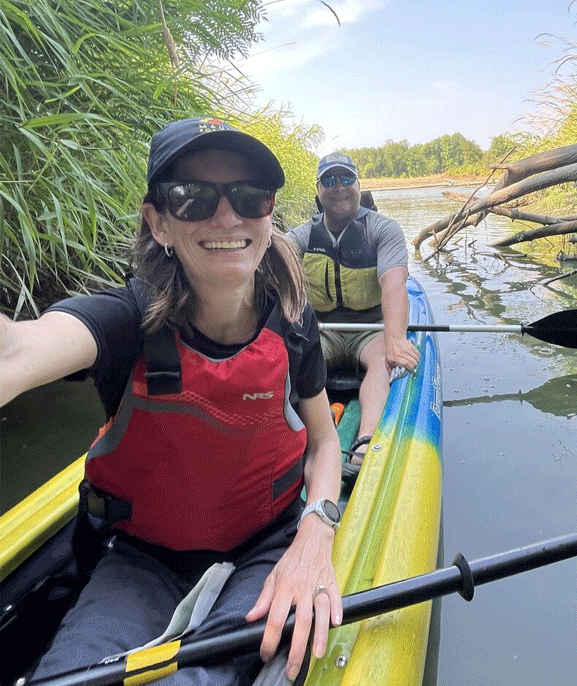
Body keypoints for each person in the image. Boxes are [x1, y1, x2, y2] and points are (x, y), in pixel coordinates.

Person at [0, 118, 343, 685]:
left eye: (249, 196)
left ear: (268, 211)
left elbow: (325, 441)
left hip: (265, 545)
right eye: (193, 198)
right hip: (141, 558)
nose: (227, 216)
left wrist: (316, 534)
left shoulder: (292, 321)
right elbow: (16, 353)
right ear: (157, 222)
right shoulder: (123, 319)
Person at [287, 153, 420, 485]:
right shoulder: (303, 236)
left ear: (358, 184)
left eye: (346, 179)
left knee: (384, 361)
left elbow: (393, 285)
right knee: (289, 358)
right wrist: (296, 322)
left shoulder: (382, 229)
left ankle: (364, 445)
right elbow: (276, 276)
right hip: (322, 329)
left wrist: (394, 337)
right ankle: (293, 445)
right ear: (318, 189)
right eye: (329, 181)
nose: (339, 188)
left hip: (370, 329)